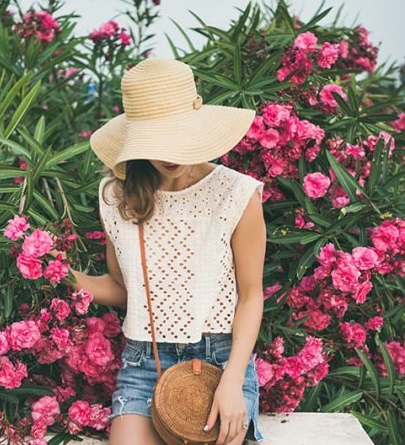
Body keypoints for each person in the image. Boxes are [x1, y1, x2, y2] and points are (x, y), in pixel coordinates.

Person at [72, 57, 266, 445]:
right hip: (144, 363)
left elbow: (250, 295)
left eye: (175, 133)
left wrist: (231, 382)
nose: (167, 150)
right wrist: (54, 274)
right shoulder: (115, 197)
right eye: (154, 138)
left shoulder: (237, 193)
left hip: (222, 361)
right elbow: (122, 288)